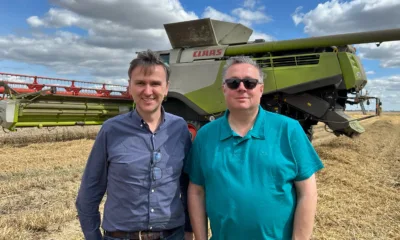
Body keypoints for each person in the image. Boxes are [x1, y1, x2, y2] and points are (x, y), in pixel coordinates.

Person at [184, 56, 324, 240]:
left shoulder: (288, 130)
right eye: (233, 83)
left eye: (249, 82)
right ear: (224, 88)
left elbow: (307, 192)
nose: (242, 88)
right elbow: (196, 191)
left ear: (261, 89)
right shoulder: (206, 136)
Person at [76, 50, 193, 240]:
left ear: (166, 88)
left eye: (155, 83)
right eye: (140, 83)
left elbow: (187, 185)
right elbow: (90, 191)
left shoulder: (179, 128)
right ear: (129, 86)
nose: (148, 91)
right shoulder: (111, 130)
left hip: (172, 235)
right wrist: (92, 236)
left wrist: (189, 230)